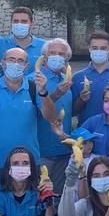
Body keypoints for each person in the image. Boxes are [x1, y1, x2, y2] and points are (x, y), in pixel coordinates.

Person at [0, 47, 58, 186]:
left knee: (29, 203)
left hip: (28, 163)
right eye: (11, 60)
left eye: (20, 61)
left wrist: (43, 93)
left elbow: (50, 117)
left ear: (26, 66)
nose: (15, 64)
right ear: (3, 63)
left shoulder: (33, 88)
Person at [35, 38, 78, 192]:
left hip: (64, 151)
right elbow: (40, 112)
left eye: (61, 53)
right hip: (42, 152)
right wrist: (56, 94)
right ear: (44, 56)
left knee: (59, 198)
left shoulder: (66, 81)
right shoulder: (35, 81)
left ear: (67, 58)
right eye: (52, 53)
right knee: (42, 196)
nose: (57, 56)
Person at [72, 31, 109, 122]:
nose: (99, 51)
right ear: (89, 48)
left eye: (103, 48)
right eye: (95, 48)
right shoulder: (78, 77)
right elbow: (72, 112)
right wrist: (81, 100)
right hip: (87, 131)